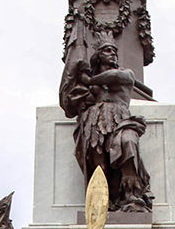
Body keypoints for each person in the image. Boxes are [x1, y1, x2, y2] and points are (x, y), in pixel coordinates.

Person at [60, 43, 153, 212]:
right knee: (99, 163)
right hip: (95, 121)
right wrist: (74, 71)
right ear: (98, 56)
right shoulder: (89, 88)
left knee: (127, 141)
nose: (113, 54)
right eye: (108, 51)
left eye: (115, 51)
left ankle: (131, 193)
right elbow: (70, 101)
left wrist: (89, 80)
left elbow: (115, 76)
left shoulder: (126, 74)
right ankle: (104, 202)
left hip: (121, 118)